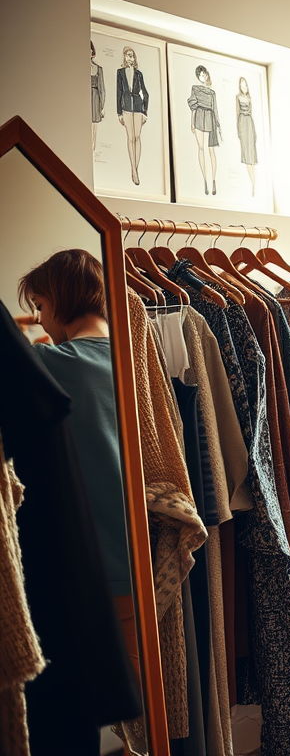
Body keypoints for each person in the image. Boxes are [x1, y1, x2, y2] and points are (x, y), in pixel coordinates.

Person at [17, 250, 138, 675]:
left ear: (61, 300)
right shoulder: (137, 358)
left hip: (90, 560)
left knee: (76, 691)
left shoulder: (50, 364)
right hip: (142, 553)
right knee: (148, 702)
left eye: (41, 305)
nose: (40, 318)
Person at [115, 46, 148, 186]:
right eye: (128, 55)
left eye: (132, 55)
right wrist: (119, 112)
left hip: (138, 107)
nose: (130, 58)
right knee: (130, 138)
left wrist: (145, 111)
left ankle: (135, 169)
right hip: (126, 107)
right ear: (124, 57)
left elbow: (145, 92)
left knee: (137, 137)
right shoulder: (120, 72)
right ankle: (133, 170)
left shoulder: (139, 74)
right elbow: (118, 92)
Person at [188, 65, 222, 196]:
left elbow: (215, 109)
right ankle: (205, 180)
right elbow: (193, 106)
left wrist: (217, 125)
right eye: (201, 75)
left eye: (205, 74)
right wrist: (191, 122)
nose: (203, 77)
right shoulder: (195, 89)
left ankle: (213, 179)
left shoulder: (212, 92)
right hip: (198, 117)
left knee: (211, 150)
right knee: (200, 147)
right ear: (198, 77)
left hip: (209, 118)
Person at [236, 76, 258, 196]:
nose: (244, 87)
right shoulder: (238, 97)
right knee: (247, 157)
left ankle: (254, 184)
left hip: (249, 123)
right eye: (242, 85)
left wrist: (254, 132)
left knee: (252, 158)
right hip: (242, 123)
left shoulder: (249, 98)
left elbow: (252, 113)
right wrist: (238, 130)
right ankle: (253, 184)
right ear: (240, 87)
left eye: (245, 85)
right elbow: (237, 112)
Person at [90, 40, 105, 153]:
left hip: (95, 97)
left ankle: (93, 146)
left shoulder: (98, 69)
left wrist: (102, 106)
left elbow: (102, 89)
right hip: (83, 97)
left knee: (94, 123)